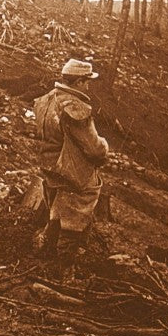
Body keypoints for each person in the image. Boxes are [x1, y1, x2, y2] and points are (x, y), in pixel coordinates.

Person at [33, 58, 110, 279]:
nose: (87, 86)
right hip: (70, 170)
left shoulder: (47, 99)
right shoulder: (75, 107)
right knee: (76, 214)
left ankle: (45, 255)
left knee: (56, 210)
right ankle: (64, 270)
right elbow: (95, 150)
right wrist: (104, 146)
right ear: (77, 82)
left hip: (50, 166)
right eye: (86, 81)